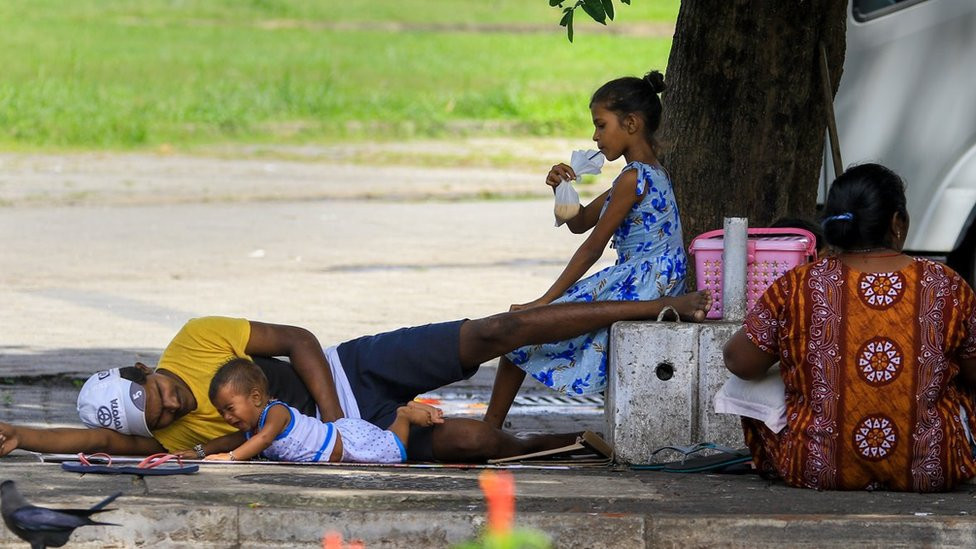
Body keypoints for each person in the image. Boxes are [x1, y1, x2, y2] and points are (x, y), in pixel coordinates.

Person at [0, 291, 712, 463]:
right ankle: (582, 446)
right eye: (161, 415)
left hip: (353, 368)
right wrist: (19, 435)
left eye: (162, 392)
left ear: (149, 369)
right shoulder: (163, 432)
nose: (174, 404)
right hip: (357, 437)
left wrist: (342, 416)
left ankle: (662, 307)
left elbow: (301, 339)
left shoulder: (193, 339)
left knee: (500, 331)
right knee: (480, 444)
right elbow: (85, 439)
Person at [723, 163, 976, 492]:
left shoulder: (799, 284)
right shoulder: (947, 285)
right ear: (897, 223)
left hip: (818, 471)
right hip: (931, 471)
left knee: (763, 377)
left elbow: (738, 362)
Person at [484, 70, 688, 429]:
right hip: (654, 279)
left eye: (600, 125)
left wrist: (543, 301)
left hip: (642, 283)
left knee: (522, 327)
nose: (595, 137)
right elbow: (578, 222)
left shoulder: (631, 179)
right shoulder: (647, 173)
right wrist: (561, 190)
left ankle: (490, 427)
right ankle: (491, 425)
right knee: (526, 328)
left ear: (630, 123)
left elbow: (591, 248)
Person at [203, 358, 444, 463]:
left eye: (230, 408)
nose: (227, 417)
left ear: (255, 397)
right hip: (339, 436)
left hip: (350, 442)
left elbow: (265, 439)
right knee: (392, 450)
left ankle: (404, 415)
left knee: (395, 451)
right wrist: (201, 451)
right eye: (221, 412)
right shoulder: (253, 428)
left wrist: (232, 458)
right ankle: (403, 415)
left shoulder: (275, 413)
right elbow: (231, 439)